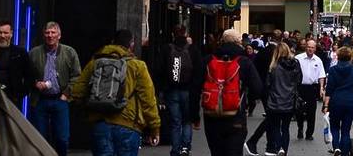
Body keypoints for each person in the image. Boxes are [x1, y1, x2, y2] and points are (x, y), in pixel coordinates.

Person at [71, 29, 160, 155]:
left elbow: (77, 92)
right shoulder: (138, 66)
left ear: (112, 43)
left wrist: (89, 111)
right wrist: (154, 128)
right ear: (131, 45)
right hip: (128, 126)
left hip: (100, 123)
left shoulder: (94, 63)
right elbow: (148, 99)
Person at [204, 29, 263, 156]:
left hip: (212, 116)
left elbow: (196, 85)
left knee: (216, 152)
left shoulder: (209, 59)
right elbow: (257, 88)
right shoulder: (244, 61)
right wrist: (248, 103)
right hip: (236, 115)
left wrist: (194, 116)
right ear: (238, 42)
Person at [29, 21, 81, 156]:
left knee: (62, 138)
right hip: (40, 100)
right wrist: (35, 83)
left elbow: (77, 76)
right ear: (43, 35)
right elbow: (27, 75)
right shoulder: (34, 53)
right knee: (40, 137)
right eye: (47, 32)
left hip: (60, 99)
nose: (50, 35)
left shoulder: (69, 52)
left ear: (59, 35)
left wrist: (66, 94)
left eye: (53, 32)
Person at [159, 26, 203, 156]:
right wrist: (196, 88)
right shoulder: (193, 50)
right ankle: (185, 147)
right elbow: (199, 71)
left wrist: (163, 88)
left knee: (175, 121)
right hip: (188, 91)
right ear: (186, 34)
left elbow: (160, 70)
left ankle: (175, 149)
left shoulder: (166, 49)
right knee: (187, 120)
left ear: (173, 35)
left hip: (172, 90)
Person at [323, 47, 353, 156]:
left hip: (336, 101)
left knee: (335, 126)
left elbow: (329, 88)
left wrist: (326, 105)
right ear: (350, 57)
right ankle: (345, 152)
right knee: (346, 129)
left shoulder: (332, 70)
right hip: (350, 102)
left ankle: (336, 147)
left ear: (338, 56)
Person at [265, 43, 303, 156]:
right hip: (290, 100)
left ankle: (278, 147)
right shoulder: (295, 64)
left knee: (276, 126)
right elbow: (299, 80)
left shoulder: (274, 66)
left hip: (275, 100)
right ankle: (284, 150)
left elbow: (268, 83)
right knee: (285, 128)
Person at [0, 20, 33, 105]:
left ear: (11, 34)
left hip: (12, 98)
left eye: (6, 33)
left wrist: (21, 94)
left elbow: (29, 75)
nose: (2, 36)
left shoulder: (20, 52)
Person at [294, 39, 326, 141]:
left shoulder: (318, 60)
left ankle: (309, 133)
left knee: (311, 112)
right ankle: (300, 128)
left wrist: (321, 88)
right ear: (305, 47)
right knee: (299, 110)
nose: (310, 49)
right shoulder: (298, 58)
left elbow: (321, 76)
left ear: (315, 49)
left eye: (312, 47)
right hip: (300, 87)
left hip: (312, 88)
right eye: (308, 47)